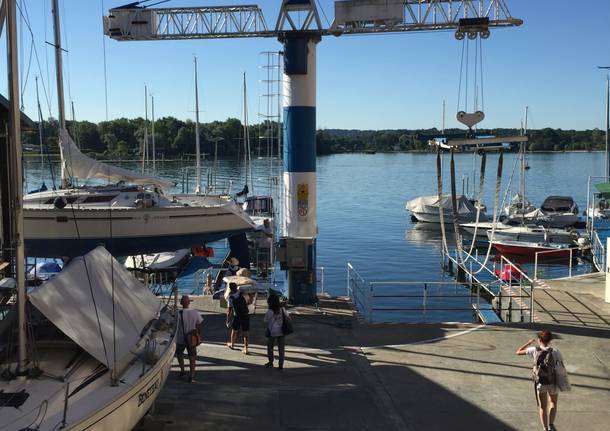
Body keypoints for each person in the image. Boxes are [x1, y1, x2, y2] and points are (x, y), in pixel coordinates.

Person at [516, 329, 570, 431]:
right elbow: (561, 365)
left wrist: (528, 343)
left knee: (542, 407)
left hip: (540, 382)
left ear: (539, 340)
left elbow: (518, 352)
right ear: (550, 340)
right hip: (553, 381)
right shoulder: (555, 351)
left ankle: (545, 429)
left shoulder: (534, 350)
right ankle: (551, 425)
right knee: (553, 402)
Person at [176, 295, 203, 383]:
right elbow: (199, 324)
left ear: (181, 303)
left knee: (180, 355)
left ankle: (183, 371)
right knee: (192, 357)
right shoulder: (195, 312)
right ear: (189, 302)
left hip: (180, 338)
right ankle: (191, 375)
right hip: (192, 338)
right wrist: (199, 336)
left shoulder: (177, 313)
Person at [264, 294, 288, 370]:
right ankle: (281, 365)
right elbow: (288, 317)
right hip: (282, 331)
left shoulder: (269, 311)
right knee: (281, 349)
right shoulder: (282, 309)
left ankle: (271, 361)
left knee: (270, 347)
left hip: (272, 332)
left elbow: (265, 320)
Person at [226, 282, 250, 354]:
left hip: (237, 316)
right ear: (236, 287)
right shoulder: (241, 293)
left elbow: (229, 310)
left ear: (230, 289)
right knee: (245, 332)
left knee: (234, 330)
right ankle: (246, 348)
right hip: (245, 315)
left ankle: (232, 344)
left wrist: (228, 320)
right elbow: (248, 301)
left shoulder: (231, 298)